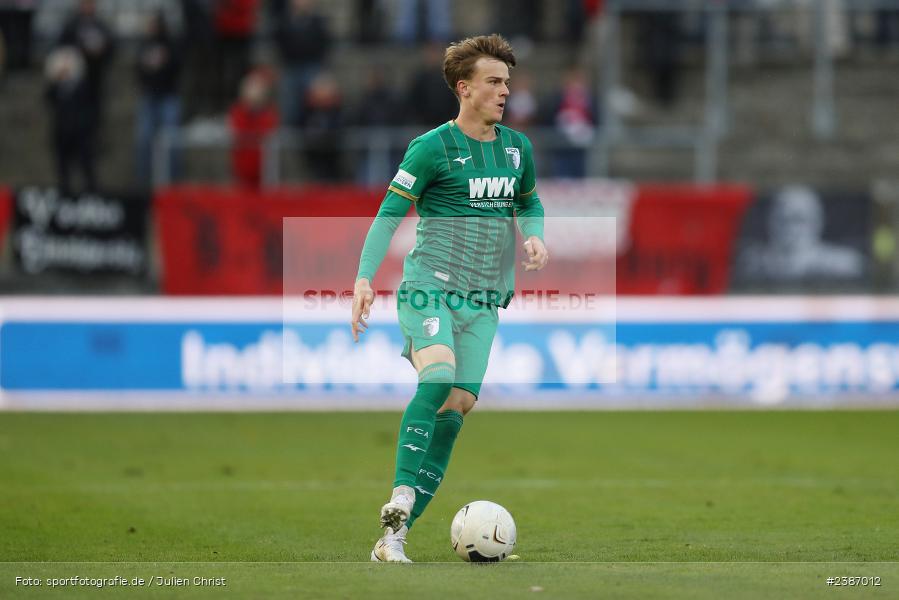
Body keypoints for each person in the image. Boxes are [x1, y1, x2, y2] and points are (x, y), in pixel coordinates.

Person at [350, 34, 549, 563]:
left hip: (484, 299)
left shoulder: (517, 147)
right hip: (429, 288)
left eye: (507, 81)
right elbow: (388, 214)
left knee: (458, 404)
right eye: (494, 81)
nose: (505, 91)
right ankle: (397, 496)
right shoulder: (431, 147)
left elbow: (529, 200)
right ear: (464, 88)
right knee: (437, 379)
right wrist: (365, 278)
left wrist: (534, 233)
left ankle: (396, 533)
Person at [134, 11, 182, 188]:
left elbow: (177, 66)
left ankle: (173, 184)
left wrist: (164, 63)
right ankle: (143, 184)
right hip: (149, 96)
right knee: (144, 141)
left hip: (168, 96)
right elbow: (138, 68)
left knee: (171, 142)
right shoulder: (145, 45)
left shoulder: (171, 44)